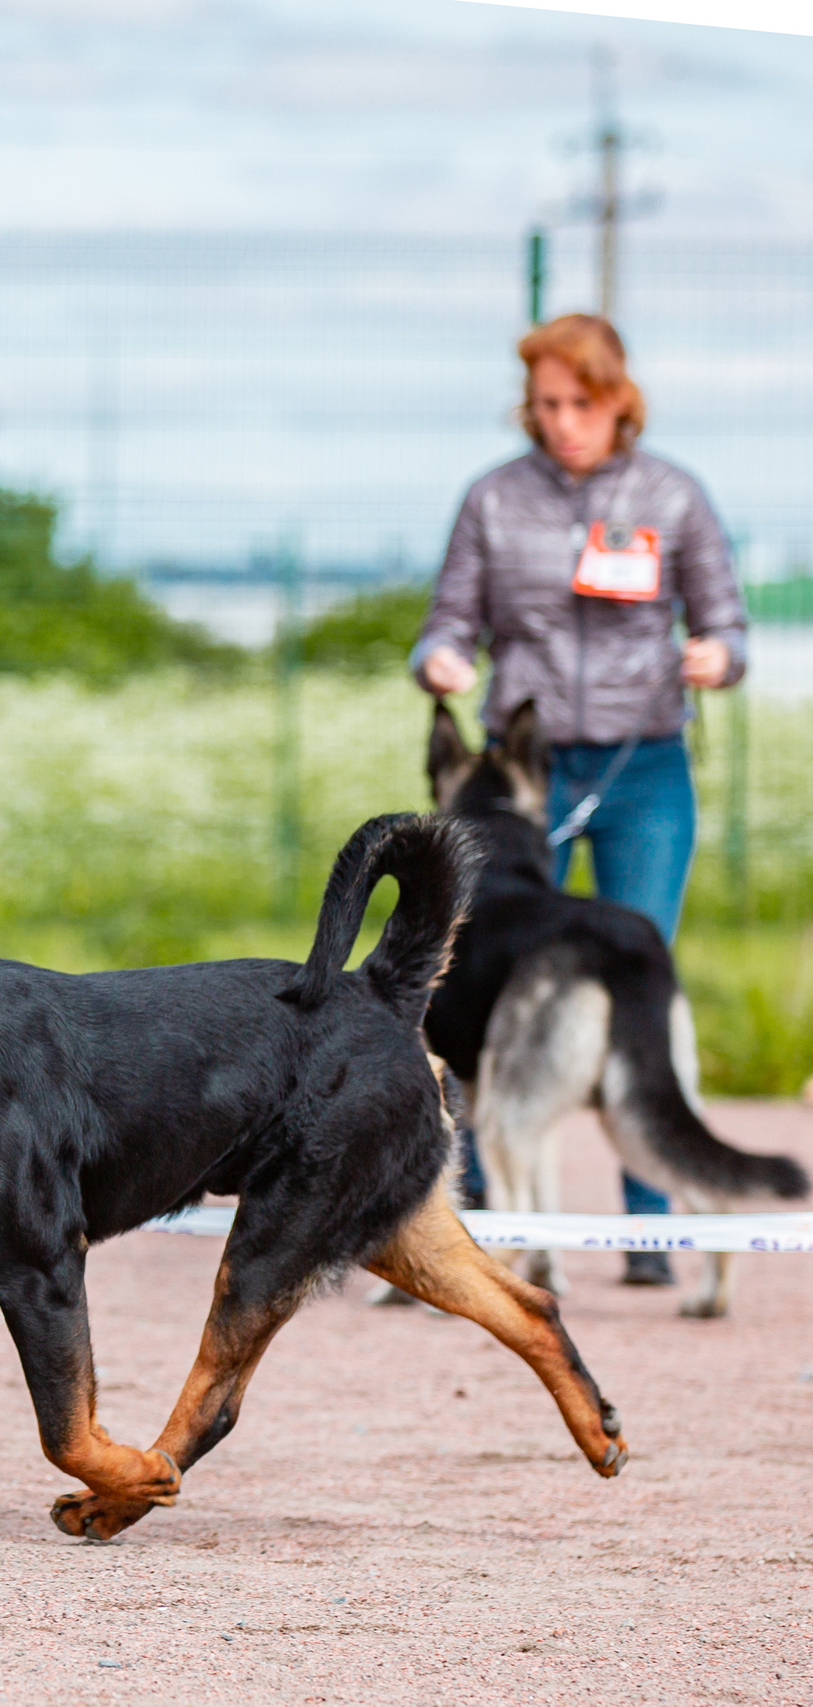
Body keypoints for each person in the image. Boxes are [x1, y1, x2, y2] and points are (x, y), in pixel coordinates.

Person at [412, 311, 747, 1284]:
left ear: (618, 402)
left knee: (632, 965)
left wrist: (716, 656)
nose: (564, 422)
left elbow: (726, 622)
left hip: (643, 767)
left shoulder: (672, 496)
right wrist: (437, 658)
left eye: (581, 403)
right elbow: (448, 621)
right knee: (476, 983)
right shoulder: (491, 500)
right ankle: (466, 1224)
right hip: (522, 779)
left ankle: (652, 1233)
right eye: (548, 404)